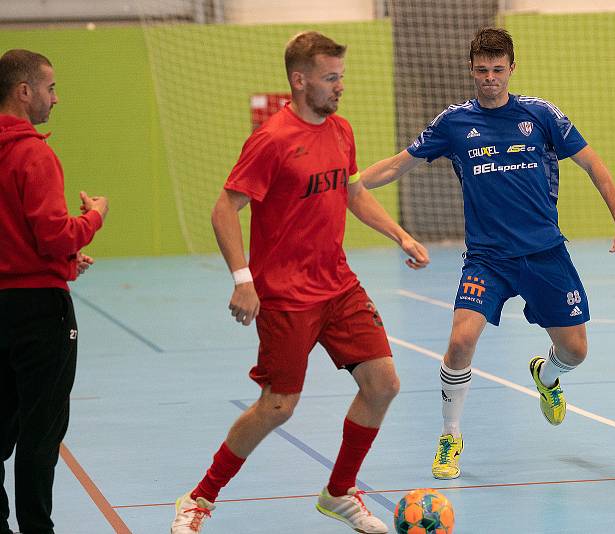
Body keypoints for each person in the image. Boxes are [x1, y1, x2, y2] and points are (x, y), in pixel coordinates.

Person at [360, 28, 615, 480]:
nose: (490, 78)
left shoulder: (540, 116)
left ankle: (548, 375)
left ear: (512, 68)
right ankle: (450, 436)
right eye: (482, 70)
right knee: (460, 341)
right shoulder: (453, 123)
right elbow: (399, 164)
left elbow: (593, 163)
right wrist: (349, 182)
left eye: (498, 70)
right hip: (488, 259)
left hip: (544, 254)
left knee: (575, 351)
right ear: (471, 70)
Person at [170, 31, 429, 534]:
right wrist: (243, 278)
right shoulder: (271, 140)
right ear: (300, 80)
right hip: (286, 296)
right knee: (278, 406)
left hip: (338, 284)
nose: (340, 88)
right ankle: (200, 497)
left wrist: (399, 234)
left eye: (341, 77)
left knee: (383, 384)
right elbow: (225, 207)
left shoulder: (341, 131)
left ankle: (339, 493)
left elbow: (353, 193)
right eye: (331, 79)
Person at [0, 49, 108, 534]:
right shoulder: (32, 153)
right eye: (50, 88)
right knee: (41, 432)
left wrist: (63, 261)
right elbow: (53, 234)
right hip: (38, 314)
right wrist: (94, 218)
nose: (55, 98)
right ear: (24, 92)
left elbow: (18, 237)